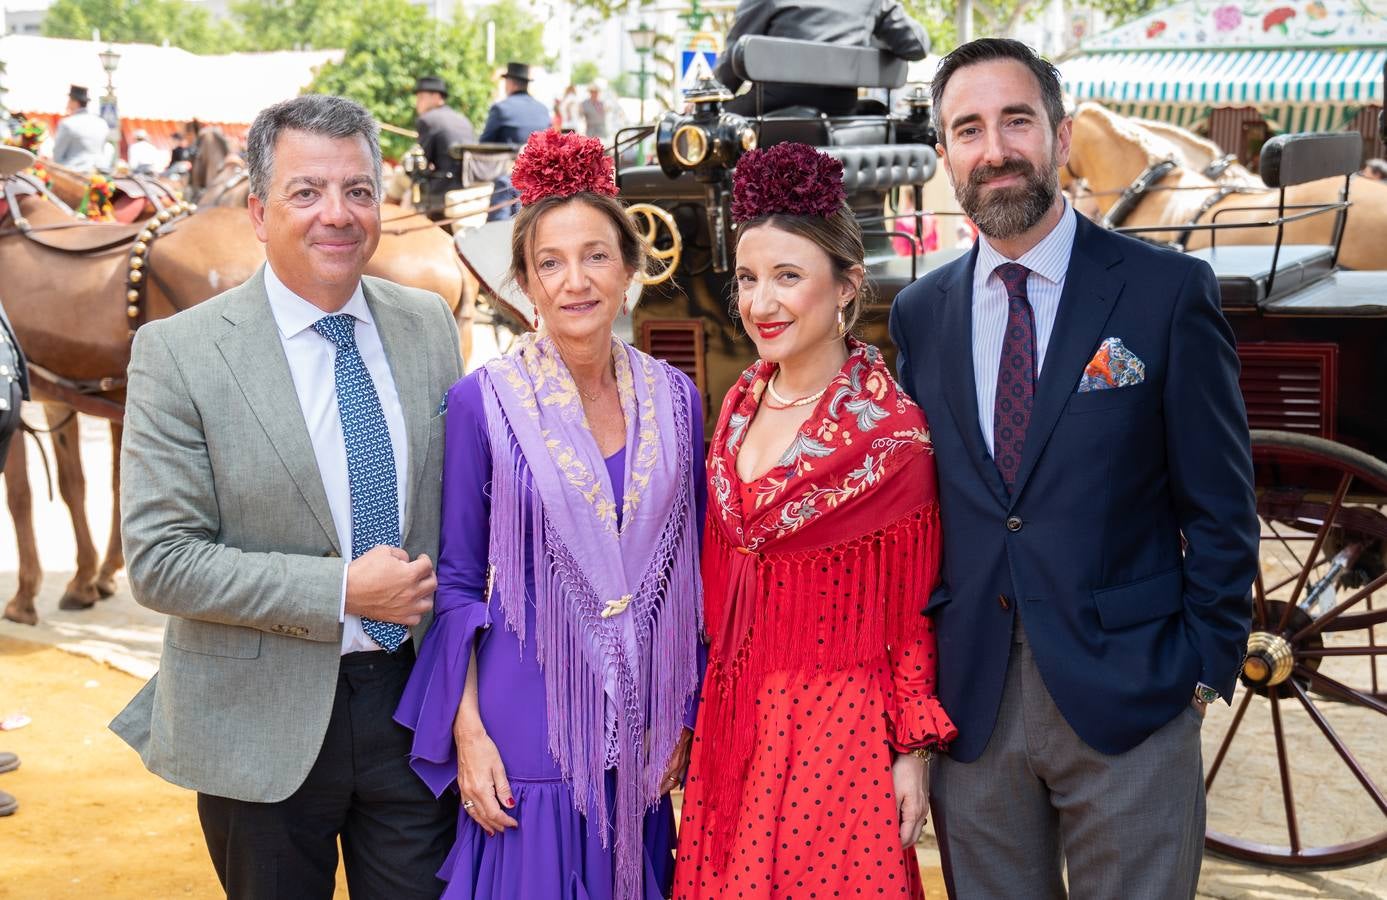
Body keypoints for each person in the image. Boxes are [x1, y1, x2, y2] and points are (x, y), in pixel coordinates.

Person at [888, 39, 1258, 899]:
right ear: (944, 155)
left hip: (1133, 696)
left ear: (1058, 137)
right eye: (968, 130)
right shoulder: (919, 314)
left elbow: (1220, 503)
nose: (994, 149)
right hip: (972, 703)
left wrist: (1201, 669)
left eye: (1016, 121)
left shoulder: (1166, 292)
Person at [109, 94, 462, 898]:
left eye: (358, 190)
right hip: (256, 726)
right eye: (307, 192)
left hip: (413, 712)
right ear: (258, 212)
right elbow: (161, 561)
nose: (337, 214)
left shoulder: (428, 325)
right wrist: (342, 592)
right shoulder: (179, 352)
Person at [395, 128, 706, 899]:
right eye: (550, 263)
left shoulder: (677, 399)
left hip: (642, 725)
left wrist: (686, 712)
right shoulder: (482, 402)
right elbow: (458, 581)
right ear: (525, 284)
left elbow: (695, 573)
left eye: (595, 256)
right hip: (525, 725)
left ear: (630, 269)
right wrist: (468, 732)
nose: (575, 282)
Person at [673, 142, 956, 899]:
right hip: (734, 720)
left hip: (838, 732)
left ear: (846, 286)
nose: (761, 302)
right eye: (747, 278)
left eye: (788, 276)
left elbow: (911, 615)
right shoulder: (738, 405)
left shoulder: (892, 438)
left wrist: (911, 752)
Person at [714, 0, 928, 116]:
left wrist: (710, 100)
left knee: (711, 124)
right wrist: (872, 33)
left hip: (769, 111)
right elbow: (917, 45)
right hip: (841, 111)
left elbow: (731, 64)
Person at [478, 62, 552, 221]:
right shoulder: (543, 109)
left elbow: (483, 145)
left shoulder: (501, 108)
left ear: (510, 83)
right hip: (541, 178)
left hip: (510, 177)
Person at [413, 75, 480, 221]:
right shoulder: (463, 119)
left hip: (442, 186)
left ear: (436, 97)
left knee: (399, 179)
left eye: (421, 98)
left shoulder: (427, 119)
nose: (417, 103)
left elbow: (422, 161)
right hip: (469, 184)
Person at [52, 84, 111, 172]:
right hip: (99, 172)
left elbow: (57, 157)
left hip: (75, 173)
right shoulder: (102, 123)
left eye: (69, 100)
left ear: (74, 102)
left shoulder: (67, 124)